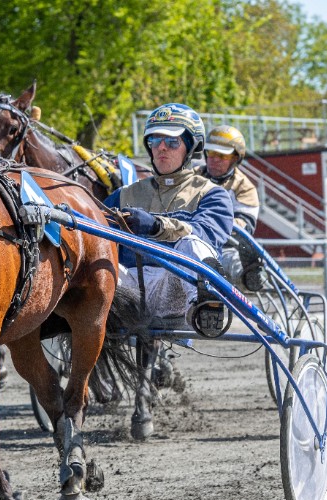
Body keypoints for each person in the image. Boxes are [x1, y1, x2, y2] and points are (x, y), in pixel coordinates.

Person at [104, 103, 234, 336]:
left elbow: (206, 236)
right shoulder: (124, 194)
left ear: (191, 147)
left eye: (172, 142)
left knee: (193, 243)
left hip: (176, 290)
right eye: (155, 141)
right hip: (129, 289)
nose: (162, 148)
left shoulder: (212, 194)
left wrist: (157, 226)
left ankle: (206, 308)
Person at [195, 125, 264, 289]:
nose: (214, 159)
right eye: (211, 153)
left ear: (235, 158)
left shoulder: (244, 187)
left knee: (231, 262)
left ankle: (251, 277)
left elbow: (244, 227)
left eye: (222, 155)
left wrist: (210, 225)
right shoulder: (192, 177)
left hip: (225, 246)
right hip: (189, 240)